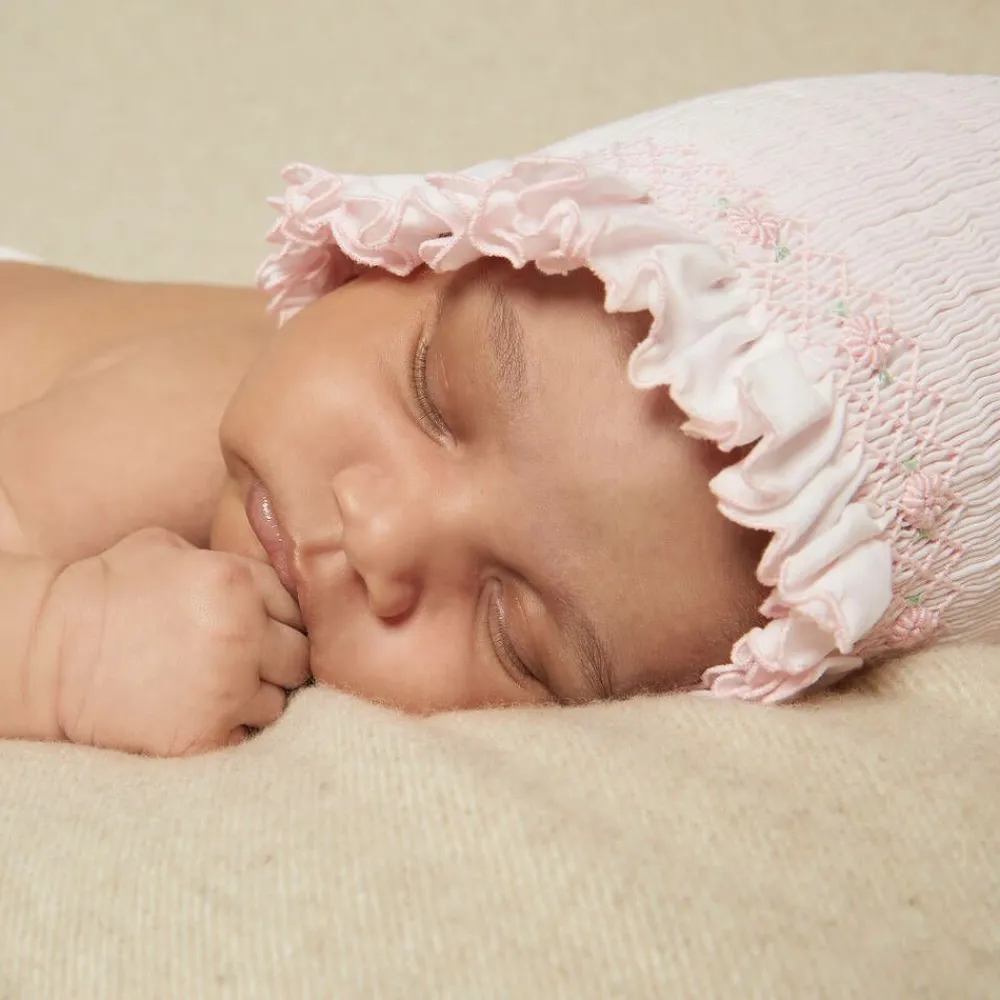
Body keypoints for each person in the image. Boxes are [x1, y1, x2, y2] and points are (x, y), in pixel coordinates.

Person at [1, 72, 997, 756]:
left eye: (512, 629)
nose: (380, 535)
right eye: (433, 393)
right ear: (415, 248)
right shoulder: (166, 431)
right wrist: (59, 646)